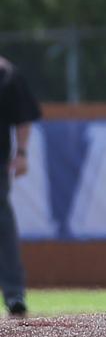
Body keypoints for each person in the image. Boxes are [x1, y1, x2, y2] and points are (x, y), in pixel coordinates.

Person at [0, 56, 42, 319]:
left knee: (2, 224)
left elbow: (22, 116)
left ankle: (14, 294)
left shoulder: (5, 74)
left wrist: (22, 153)